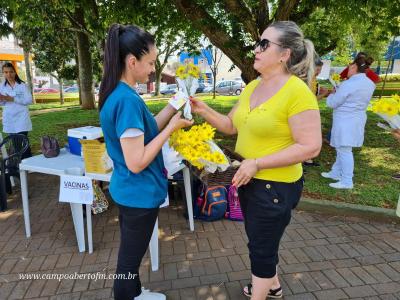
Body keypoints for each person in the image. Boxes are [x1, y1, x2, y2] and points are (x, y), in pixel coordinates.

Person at [191, 21, 321, 300]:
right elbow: (230, 125)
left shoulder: (297, 91)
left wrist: (258, 162)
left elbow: (311, 147)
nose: (256, 49)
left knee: (261, 248)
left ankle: (260, 293)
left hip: (275, 187)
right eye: (257, 43)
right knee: (260, 241)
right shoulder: (252, 87)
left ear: (284, 54)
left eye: (264, 44)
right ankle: (271, 286)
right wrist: (202, 109)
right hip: (248, 179)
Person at [99, 24, 192, 300]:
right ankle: (127, 295)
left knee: (131, 253)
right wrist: (171, 130)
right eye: (150, 62)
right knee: (129, 260)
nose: (153, 69)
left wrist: (176, 103)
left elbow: (148, 126)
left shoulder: (121, 93)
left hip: (131, 191)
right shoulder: (126, 100)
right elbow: (137, 161)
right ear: (131, 61)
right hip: (138, 194)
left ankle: (135, 292)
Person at [321, 55, 376, 189]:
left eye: (350, 67)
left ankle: (347, 180)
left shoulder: (349, 83)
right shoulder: (369, 83)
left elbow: (333, 103)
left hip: (345, 119)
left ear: (353, 67)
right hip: (357, 118)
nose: (348, 69)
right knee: (343, 148)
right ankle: (335, 172)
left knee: (344, 149)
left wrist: (333, 93)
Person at [0, 62, 33, 159]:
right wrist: (2, 99)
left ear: (15, 72)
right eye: (6, 72)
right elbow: (2, 103)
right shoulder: (2, 86)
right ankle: (19, 166)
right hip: (9, 118)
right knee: (15, 144)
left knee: (23, 143)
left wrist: (13, 99)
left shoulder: (22, 85)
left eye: (11, 72)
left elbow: (28, 100)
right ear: (3, 73)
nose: (8, 74)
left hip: (21, 118)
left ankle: (28, 164)